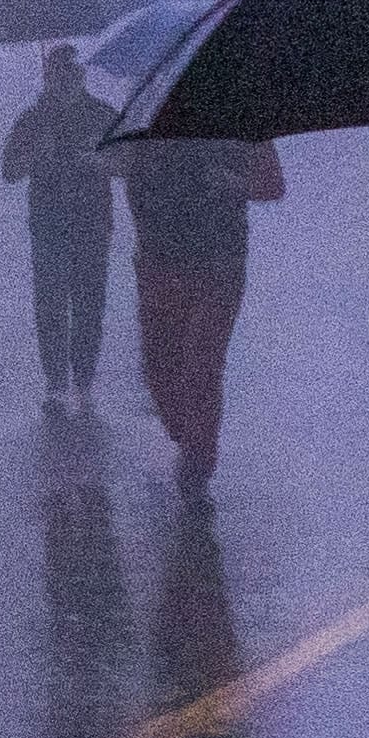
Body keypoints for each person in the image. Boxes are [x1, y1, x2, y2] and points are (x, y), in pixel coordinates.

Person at [121, 122, 283, 485]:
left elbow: (272, 184)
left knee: (201, 364)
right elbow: (132, 178)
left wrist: (233, 183)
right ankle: (188, 438)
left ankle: (198, 463)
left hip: (218, 264)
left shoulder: (241, 121)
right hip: (159, 264)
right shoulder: (149, 123)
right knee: (159, 368)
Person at [0, 44, 120, 409]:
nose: (64, 80)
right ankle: (55, 378)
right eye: (57, 74)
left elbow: (127, 161)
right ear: (48, 77)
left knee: (89, 302)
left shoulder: (102, 115)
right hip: (48, 223)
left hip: (92, 221)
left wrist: (99, 161)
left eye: (70, 73)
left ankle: (83, 376)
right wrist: (36, 153)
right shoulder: (33, 120)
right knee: (50, 303)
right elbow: (9, 171)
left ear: (80, 76)